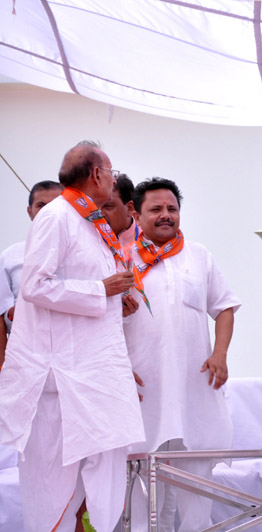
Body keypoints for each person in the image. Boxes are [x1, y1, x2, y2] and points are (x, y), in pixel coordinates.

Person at [0, 141, 145, 532]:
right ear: (96, 174)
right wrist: (102, 290)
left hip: (92, 379)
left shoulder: (90, 222)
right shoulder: (58, 216)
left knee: (97, 484)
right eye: (111, 172)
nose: (114, 179)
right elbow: (35, 286)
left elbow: (82, 289)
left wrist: (115, 298)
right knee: (53, 491)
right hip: (60, 384)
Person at [123, 177, 240, 531]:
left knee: (195, 489)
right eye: (156, 209)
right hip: (142, 390)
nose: (166, 216)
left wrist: (220, 354)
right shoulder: (121, 257)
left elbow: (225, 308)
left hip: (193, 388)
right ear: (136, 213)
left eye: (172, 209)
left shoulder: (199, 255)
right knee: (137, 486)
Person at [0, 180, 63, 337]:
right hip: (25, 351)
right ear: (30, 212)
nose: (48, 211)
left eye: (55, 205)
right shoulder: (9, 257)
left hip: (75, 354)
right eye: (41, 205)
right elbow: (2, 316)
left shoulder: (85, 254)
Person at [101, 174, 139, 249]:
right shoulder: (84, 238)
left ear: (130, 208)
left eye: (108, 206)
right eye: (96, 206)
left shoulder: (151, 240)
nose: (99, 213)